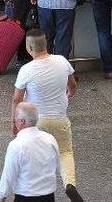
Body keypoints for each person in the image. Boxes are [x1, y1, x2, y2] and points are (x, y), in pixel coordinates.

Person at [12, 30, 85, 202]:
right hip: (59, 119)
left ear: (30, 47)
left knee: (36, 157)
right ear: (45, 44)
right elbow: (72, 84)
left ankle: (38, 192)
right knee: (65, 152)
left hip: (35, 123)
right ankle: (69, 184)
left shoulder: (26, 70)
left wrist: (15, 122)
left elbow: (17, 98)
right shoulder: (62, 61)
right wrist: (68, 93)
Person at [0, 102, 60, 202]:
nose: (14, 120)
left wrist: (1, 196)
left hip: (25, 196)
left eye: (15, 117)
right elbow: (56, 165)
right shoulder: (50, 139)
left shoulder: (16, 145)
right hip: (49, 196)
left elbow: (8, 176)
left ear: (22, 121)